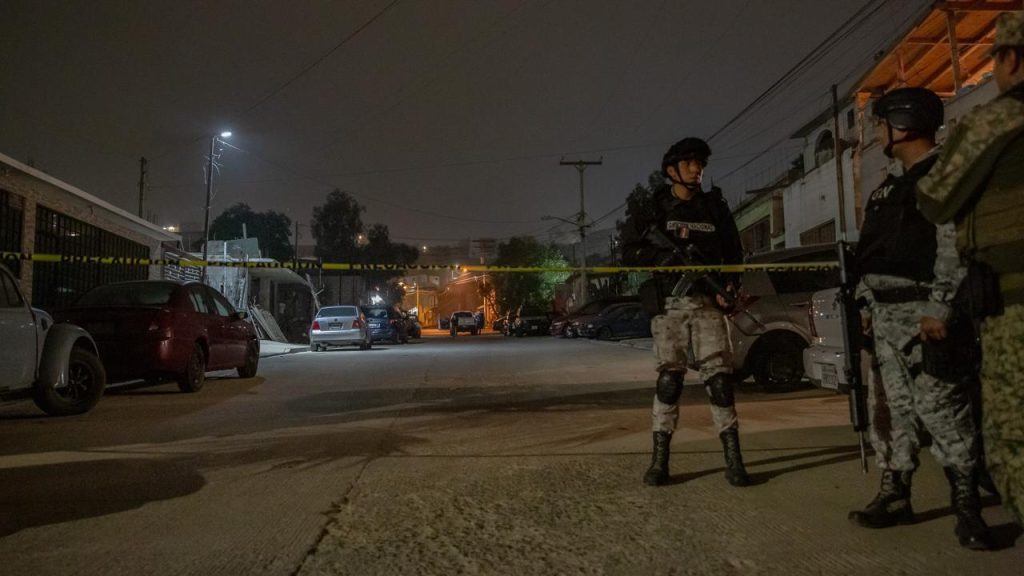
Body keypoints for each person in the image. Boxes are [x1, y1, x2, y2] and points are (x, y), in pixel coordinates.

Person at [849, 87, 990, 550]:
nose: (878, 132)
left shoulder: (945, 173)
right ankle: (895, 494)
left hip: (928, 310)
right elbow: (873, 252)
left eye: (883, 123)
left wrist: (940, 307)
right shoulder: (888, 186)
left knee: (943, 408)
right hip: (886, 316)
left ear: (903, 124)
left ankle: (967, 507)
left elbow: (955, 243)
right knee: (890, 409)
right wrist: (868, 306)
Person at [917, 10, 1024, 527]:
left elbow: (936, 200)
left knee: (1009, 443)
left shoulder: (995, 120)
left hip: (1015, 307)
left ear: (1010, 58)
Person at [620, 137, 749, 487]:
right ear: (672, 169)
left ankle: (734, 459)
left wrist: (730, 288)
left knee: (720, 381)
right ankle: (660, 461)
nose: (698, 169)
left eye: (701, 163)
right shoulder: (652, 210)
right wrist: (660, 258)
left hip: (708, 303)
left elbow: (734, 255)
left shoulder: (714, 208)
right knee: (669, 381)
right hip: (670, 306)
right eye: (690, 162)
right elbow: (627, 252)